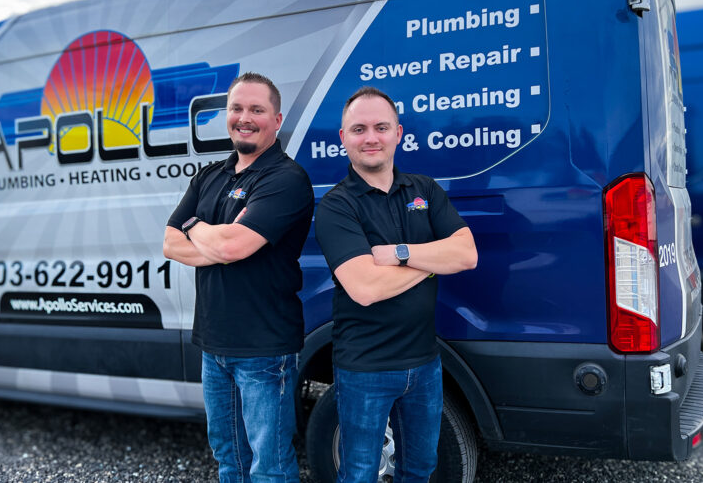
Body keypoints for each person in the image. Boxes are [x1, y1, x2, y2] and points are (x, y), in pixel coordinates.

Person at [314, 86, 477, 483]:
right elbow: (365, 287)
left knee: (419, 471)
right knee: (359, 474)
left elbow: (467, 254)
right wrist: (433, 260)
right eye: (359, 129)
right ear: (343, 138)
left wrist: (401, 252)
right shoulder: (336, 206)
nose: (371, 137)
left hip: (424, 364)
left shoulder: (423, 190)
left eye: (381, 127)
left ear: (398, 133)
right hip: (365, 368)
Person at [163, 72, 313, 483]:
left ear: (277, 119)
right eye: (237, 108)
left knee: (270, 465)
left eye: (256, 110)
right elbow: (169, 244)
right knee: (229, 458)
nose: (244, 118)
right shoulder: (211, 175)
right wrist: (212, 232)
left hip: (264, 349)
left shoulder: (285, 178)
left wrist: (195, 225)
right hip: (213, 344)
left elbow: (231, 248)